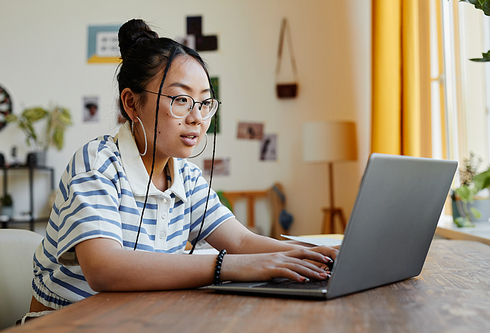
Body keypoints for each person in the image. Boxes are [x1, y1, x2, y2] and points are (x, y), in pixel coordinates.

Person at [29, 19, 338, 312]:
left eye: (204, 103)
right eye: (180, 100)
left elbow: (241, 241)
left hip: (139, 316)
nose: (197, 118)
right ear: (131, 103)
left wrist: (309, 254)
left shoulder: (186, 176)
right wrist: (225, 265)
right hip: (66, 321)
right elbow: (104, 268)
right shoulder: (98, 163)